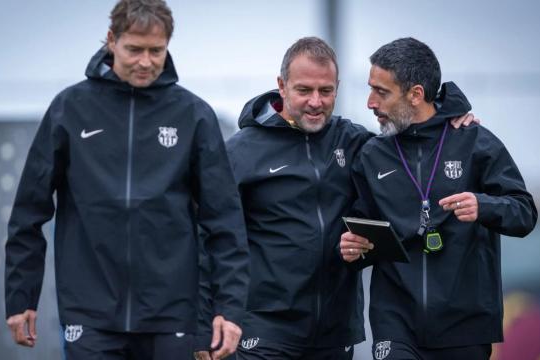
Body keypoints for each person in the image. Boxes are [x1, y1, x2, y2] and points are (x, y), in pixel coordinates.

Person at [195, 37, 475, 360]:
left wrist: (453, 118)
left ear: (337, 88)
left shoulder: (355, 143)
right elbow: (207, 239)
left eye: (326, 91)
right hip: (262, 330)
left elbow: (416, 149)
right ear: (281, 86)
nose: (316, 101)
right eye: (304, 90)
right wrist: (203, 326)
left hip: (334, 335)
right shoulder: (240, 152)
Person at [4, 0, 248, 359]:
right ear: (111, 40)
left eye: (156, 50)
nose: (146, 61)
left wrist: (229, 308)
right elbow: (29, 211)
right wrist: (21, 296)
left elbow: (225, 221)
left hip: (171, 314)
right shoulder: (69, 109)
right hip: (90, 313)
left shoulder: (193, 115)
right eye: (134, 49)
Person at [340, 37, 538, 360]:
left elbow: (525, 213)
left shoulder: (474, 141)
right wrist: (353, 245)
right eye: (370, 88)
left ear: (416, 94)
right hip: (396, 323)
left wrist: (482, 205)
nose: (370, 102)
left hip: (465, 326)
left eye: (381, 92)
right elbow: (361, 226)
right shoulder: (371, 155)